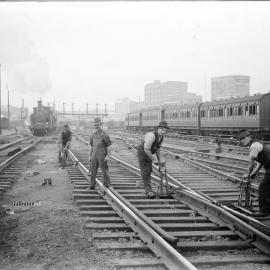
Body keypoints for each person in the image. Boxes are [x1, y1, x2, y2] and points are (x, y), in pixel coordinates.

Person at [240, 129, 270, 216]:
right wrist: (254, 173)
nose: (242, 141)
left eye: (243, 138)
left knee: (263, 188)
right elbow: (260, 162)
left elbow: (251, 163)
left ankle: (264, 211)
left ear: (249, 137)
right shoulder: (257, 144)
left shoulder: (254, 146)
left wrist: (248, 174)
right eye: (240, 139)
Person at [137, 120, 169, 198]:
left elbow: (158, 149)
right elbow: (147, 149)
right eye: (162, 129)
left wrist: (159, 160)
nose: (163, 132)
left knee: (149, 170)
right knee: (145, 171)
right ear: (158, 129)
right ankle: (148, 191)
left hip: (149, 152)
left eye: (165, 130)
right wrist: (154, 159)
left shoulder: (161, 137)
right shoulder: (151, 136)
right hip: (143, 152)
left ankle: (149, 188)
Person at [89, 118, 111, 189]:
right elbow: (91, 146)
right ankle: (92, 185)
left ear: (100, 125)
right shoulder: (92, 134)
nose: (96, 126)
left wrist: (107, 156)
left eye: (97, 125)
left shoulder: (104, 134)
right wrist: (90, 155)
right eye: (95, 125)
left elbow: (109, 146)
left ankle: (107, 185)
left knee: (104, 170)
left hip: (102, 155)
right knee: (93, 171)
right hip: (94, 155)